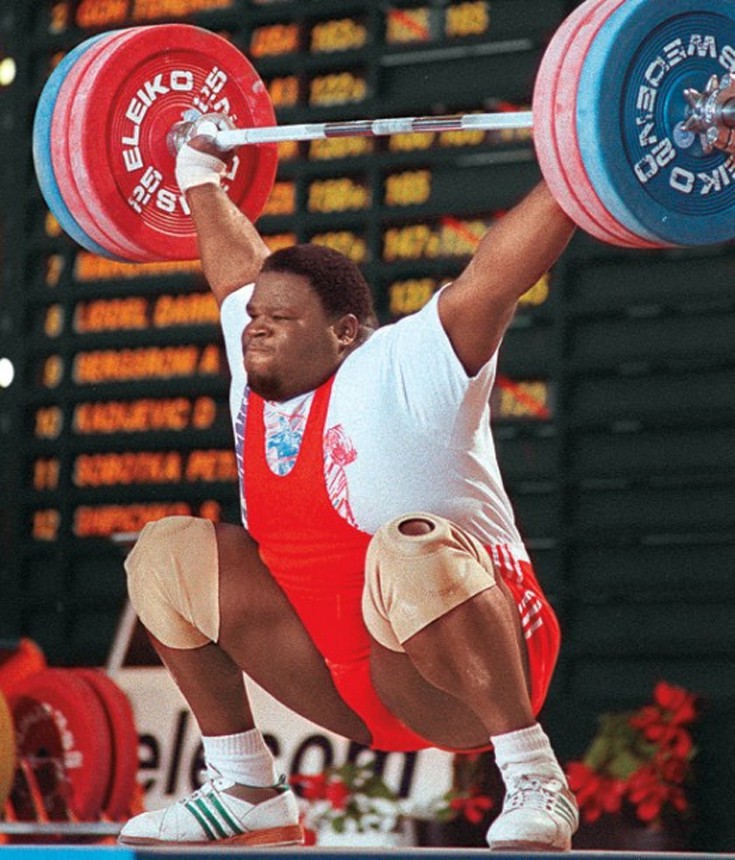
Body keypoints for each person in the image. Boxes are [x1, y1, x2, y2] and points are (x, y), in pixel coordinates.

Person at [118, 114, 579, 850]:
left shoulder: (408, 367)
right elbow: (236, 273)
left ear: (344, 332)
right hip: (339, 686)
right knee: (165, 551)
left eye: (281, 318)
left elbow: (496, 275)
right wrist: (198, 175)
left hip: (464, 674)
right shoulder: (260, 361)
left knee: (409, 546)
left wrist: (580, 167)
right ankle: (245, 788)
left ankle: (533, 777)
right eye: (254, 319)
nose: (255, 328)